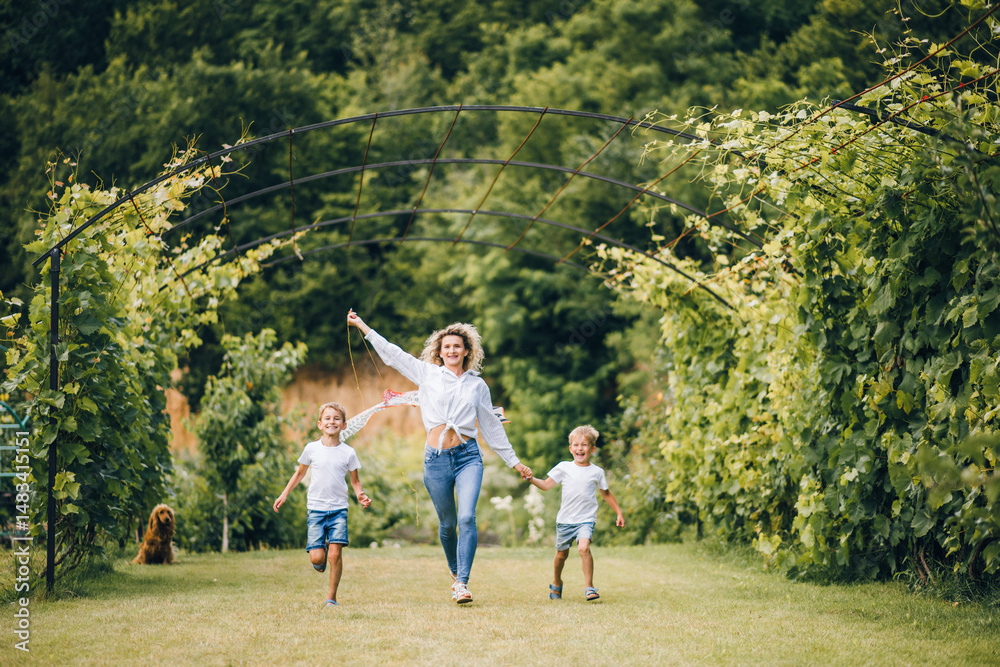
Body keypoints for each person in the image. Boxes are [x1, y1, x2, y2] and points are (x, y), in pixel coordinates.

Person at [347, 310, 532, 604]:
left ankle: (462, 583)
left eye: (457, 346)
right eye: (447, 347)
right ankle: (455, 570)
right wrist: (362, 326)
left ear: (467, 351)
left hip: (468, 456)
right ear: (439, 351)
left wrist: (515, 462)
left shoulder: (477, 385)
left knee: (467, 517)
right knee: (447, 525)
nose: (452, 350)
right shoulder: (427, 374)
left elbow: (491, 426)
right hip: (435, 460)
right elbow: (393, 355)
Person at [273, 401, 371, 607]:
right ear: (320, 424)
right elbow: (300, 473)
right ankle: (322, 553)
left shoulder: (348, 453)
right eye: (327, 418)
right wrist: (284, 494)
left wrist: (360, 495)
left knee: (336, 554)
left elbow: (355, 481)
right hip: (316, 510)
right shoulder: (311, 449)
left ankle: (331, 597)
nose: (332, 422)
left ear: (344, 425)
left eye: (337, 419)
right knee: (317, 559)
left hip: (338, 510)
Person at [528, 425, 624, 602]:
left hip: (585, 520)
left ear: (592, 449)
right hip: (565, 520)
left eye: (585, 445)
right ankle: (557, 582)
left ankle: (589, 587)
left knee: (583, 548)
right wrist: (531, 479)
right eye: (576, 445)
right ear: (570, 448)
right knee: (561, 555)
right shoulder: (564, 467)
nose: (580, 448)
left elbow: (606, 494)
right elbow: (547, 485)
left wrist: (618, 512)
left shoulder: (597, 472)